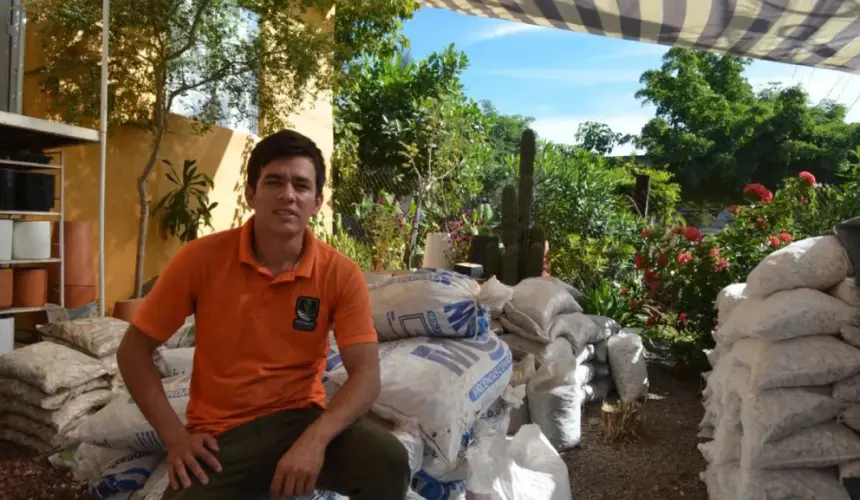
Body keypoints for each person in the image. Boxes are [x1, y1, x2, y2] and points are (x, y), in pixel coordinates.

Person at [116, 129, 410, 500]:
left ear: (317, 201)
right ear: (251, 193)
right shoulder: (200, 260)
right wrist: (175, 438)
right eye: (275, 181)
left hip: (300, 418)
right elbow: (133, 352)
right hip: (222, 435)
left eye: (302, 186)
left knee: (388, 460)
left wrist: (315, 441)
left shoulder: (339, 273)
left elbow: (366, 376)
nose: (288, 195)